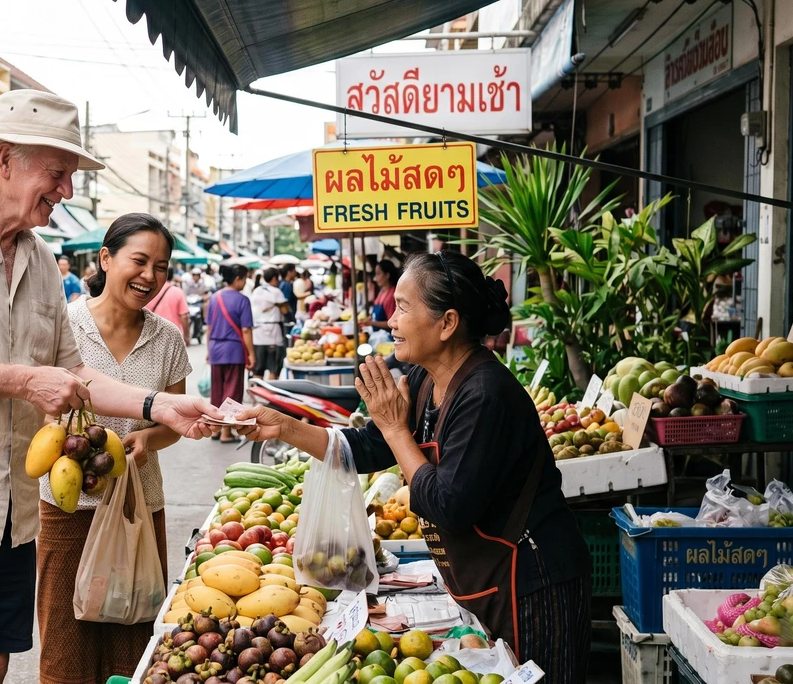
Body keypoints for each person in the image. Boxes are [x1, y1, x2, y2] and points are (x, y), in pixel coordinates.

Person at [0, 89, 217, 684]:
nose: (67, 191)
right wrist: (26, 380)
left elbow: (75, 375)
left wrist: (160, 405)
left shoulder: (38, 258)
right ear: (6, 159)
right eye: (58, 173)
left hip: (8, 506)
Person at [238, 251, 592, 682]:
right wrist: (285, 427)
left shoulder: (485, 394)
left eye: (403, 308)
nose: (391, 321)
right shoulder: (426, 379)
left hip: (534, 583)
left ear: (447, 323)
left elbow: (449, 506)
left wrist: (395, 429)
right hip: (486, 577)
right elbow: (370, 448)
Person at [37, 213, 191, 683]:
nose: (149, 276)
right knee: (66, 642)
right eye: (139, 261)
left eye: (160, 267)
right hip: (69, 508)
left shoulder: (167, 339)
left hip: (138, 507)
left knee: (134, 635)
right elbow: (38, 406)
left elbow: (174, 422)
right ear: (106, 258)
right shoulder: (64, 326)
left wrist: (147, 438)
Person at [206, 262, 254, 443]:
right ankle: (226, 432)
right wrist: (252, 354)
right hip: (234, 350)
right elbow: (246, 330)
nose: (245, 282)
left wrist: (208, 350)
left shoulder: (214, 297)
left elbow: (209, 327)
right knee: (232, 391)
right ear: (237, 279)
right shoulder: (243, 300)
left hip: (215, 349)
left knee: (217, 391)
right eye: (245, 278)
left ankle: (215, 429)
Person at [250, 267, 289, 380]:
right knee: (273, 368)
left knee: (258, 369)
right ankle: (270, 390)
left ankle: (257, 390)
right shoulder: (276, 292)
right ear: (274, 278)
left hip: (257, 333)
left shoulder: (256, 290)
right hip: (273, 333)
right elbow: (285, 310)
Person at [147, 277, 190, 343]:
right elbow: (184, 316)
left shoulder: (149, 290)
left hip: (152, 334)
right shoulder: (177, 292)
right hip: (173, 336)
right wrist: (186, 336)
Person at [367, 259, 401, 330]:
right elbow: (375, 315)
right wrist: (369, 319)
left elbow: (391, 323)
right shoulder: (381, 292)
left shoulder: (392, 295)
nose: (375, 278)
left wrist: (371, 323)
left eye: (378, 274)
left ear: (387, 275)